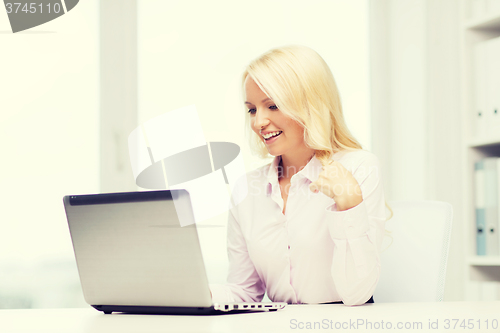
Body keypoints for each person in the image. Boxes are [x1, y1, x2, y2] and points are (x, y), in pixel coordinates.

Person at [209, 45, 391, 306]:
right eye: (252, 109)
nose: (258, 122)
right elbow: (245, 293)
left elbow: (357, 294)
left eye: (272, 106)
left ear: (310, 105)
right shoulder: (247, 188)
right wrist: (190, 291)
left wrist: (349, 204)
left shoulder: (359, 167)